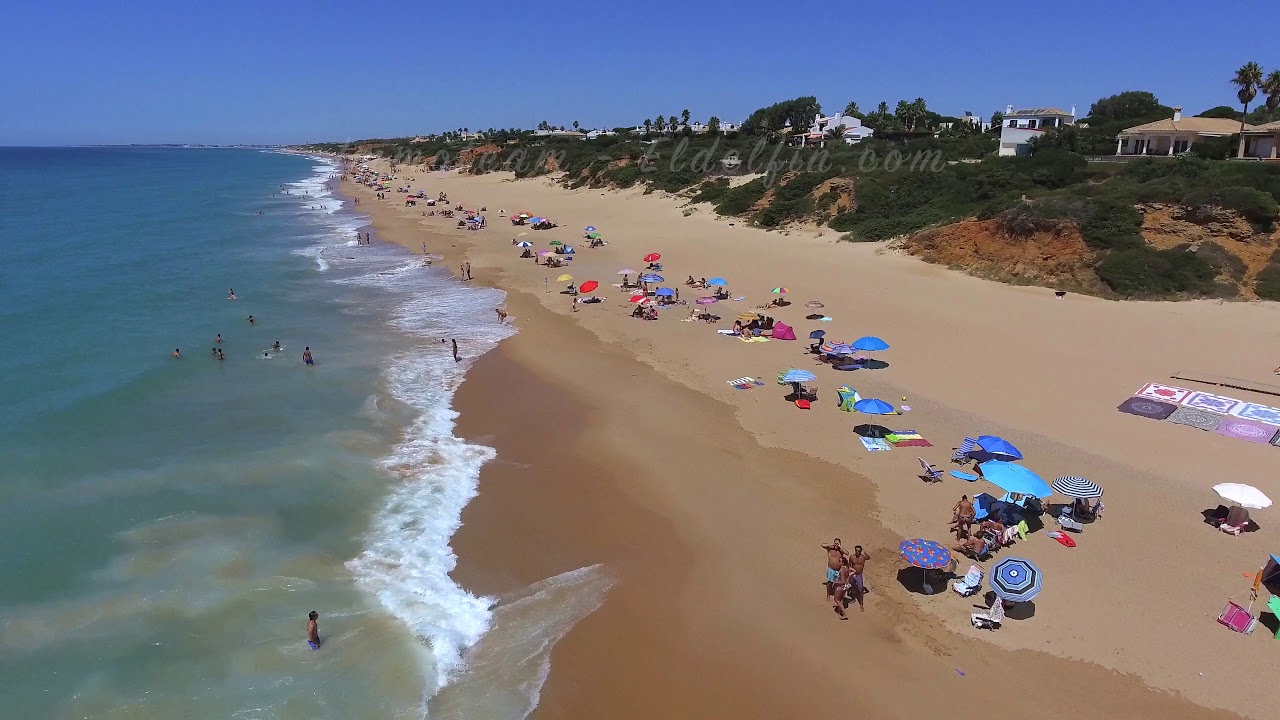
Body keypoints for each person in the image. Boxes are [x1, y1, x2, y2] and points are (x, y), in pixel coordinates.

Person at [846, 545, 870, 612]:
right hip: (853, 574)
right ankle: (853, 597)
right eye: (856, 550)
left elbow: (869, 558)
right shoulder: (852, 557)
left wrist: (866, 553)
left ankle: (861, 604)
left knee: (861, 589)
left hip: (859, 575)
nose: (857, 552)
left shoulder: (863, 557)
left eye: (859, 551)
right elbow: (849, 565)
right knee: (853, 585)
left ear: (861, 551)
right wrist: (849, 573)